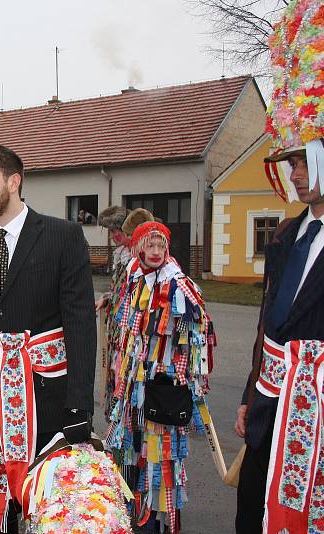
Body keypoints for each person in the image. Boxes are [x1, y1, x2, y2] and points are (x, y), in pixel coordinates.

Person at [0, 145, 97, 533]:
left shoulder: (63, 236)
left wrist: (79, 409)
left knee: (49, 513)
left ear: (13, 181)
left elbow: (80, 325)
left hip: (47, 404)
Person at [236, 4, 324, 531]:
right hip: (269, 408)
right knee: (254, 513)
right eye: (289, 162)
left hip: (316, 420)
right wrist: (250, 396)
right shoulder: (289, 234)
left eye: (298, 160)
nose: (291, 171)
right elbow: (268, 324)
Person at [104, 221, 215, 533]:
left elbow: (197, 333)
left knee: (161, 455)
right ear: (139, 248)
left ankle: (157, 520)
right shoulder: (134, 279)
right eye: (149, 246)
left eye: (161, 247)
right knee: (131, 447)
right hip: (134, 385)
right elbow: (126, 330)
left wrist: (184, 373)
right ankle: (132, 508)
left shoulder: (178, 285)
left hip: (163, 385)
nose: (155, 252)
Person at [96, 207, 154, 418]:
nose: (114, 236)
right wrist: (107, 297)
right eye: (110, 232)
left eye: (116, 231)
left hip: (132, 327)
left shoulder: (140, 258)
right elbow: (119, 289)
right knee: (115, 369)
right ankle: (116, 417)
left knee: (127, 371)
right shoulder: (121, 255)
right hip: (118, 326)